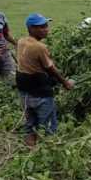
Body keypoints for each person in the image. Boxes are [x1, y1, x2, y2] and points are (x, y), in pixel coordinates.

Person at [16, 13, 73, 147]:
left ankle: (29, 150)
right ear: (31, 28)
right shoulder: (39, 47)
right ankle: (48, 153)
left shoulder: (21, 41)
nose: (46, 29)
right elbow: (50, 69)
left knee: (30, 125)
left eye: (46, 26)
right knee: (49, 128)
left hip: (24, 92)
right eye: (41, 27)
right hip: (40, 93)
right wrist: (66, 83)